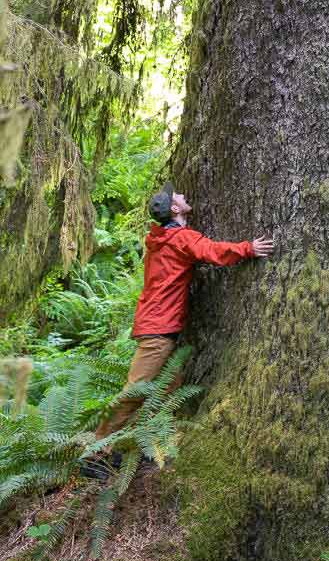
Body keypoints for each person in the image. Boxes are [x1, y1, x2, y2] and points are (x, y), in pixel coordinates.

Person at [90, 182, 273, 448]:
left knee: (169, 389)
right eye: (178, 196)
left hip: (157, 323)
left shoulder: (161, 240)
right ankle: (96, 450)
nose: (184, 194)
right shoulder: (181, 239)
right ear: (175, 208)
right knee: (135, 391)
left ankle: (150, 444)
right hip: (159, 328)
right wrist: (247, 248)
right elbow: (212, 251)